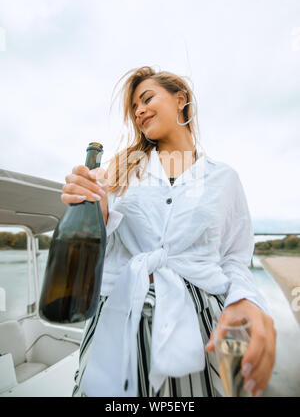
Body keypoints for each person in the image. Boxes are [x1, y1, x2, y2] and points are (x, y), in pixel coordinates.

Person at [61, 66, 276, 398]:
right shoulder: (118, 171)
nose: (140, 111)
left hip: (205, 321)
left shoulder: (225, 179)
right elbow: (96, 246)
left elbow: (234, 258)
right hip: (120, 318)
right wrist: (93, 207)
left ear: (181, 100)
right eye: (134, 108)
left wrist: (247, 300)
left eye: (147, 99)